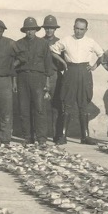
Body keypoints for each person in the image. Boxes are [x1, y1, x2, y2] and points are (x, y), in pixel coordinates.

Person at [50, 18, 104, 145]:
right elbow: (52, 50)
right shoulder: (66, 40)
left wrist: (94, 67)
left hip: (84, 73)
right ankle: (63, 136)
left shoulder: (90, 42)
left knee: (83, 104)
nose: (79, 31)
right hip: (71, 72)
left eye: (81, 29)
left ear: (86, 30)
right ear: (73, 28)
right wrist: (63, 62)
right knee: (67, 104)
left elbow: (102, 55)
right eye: (77, 28)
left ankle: (85, 137)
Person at [15, 17, 55, 145]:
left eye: (32, 29)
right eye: (27, 29)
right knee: (24, 109)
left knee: (39, 108)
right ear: (24, 31)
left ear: (36, 30)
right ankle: (28, 137)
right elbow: (14, 66)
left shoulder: (43, 44)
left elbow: (48, 64)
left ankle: (41, 138)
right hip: (22, 78)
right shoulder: (18, 44)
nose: (30, 32)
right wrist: (14, 82)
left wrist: (47, 84)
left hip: (38, 79)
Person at [41, 15, 64, 143]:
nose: (49, 30)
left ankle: (57, 135)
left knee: (56, 106)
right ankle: (42, 135)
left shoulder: (60, 42)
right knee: (41, 106)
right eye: (47, 28)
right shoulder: (40, 42)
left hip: (55, 75)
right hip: (42, 76)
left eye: (51, 28)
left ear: (55, 29)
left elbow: (65, 61)